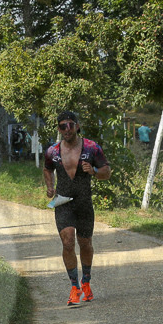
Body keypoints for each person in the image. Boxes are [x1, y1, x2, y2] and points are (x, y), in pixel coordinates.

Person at [43, 110, 111, 306]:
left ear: (77, 126)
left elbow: (107, 171)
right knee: (67, 242)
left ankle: (86, 282)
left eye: (70, 125)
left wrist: (95, 171)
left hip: (83, 202)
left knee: (85, 243)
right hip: (63, 201)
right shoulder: (53, 151)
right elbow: (47, 169)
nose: (67, 129)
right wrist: (49, 186)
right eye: (62, 126)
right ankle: (74, 287)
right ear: (59, 129)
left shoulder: (91, 148)